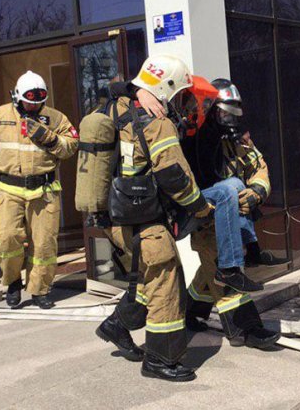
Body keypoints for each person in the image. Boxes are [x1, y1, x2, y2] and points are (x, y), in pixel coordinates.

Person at [93, 55, 213, 382]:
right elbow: (176, 178)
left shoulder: (114, 108)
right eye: (179, 95)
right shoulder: (157, 121)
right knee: (166, 279)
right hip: (143, 221)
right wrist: (202, 209)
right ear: (165, 89)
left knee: (146, 276)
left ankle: (117, 325)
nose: (181, 102)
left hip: (115, 218)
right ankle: (160, 359)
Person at [181, 78, 284, 349]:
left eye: (234, 113)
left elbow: (258, 167)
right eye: (225, 113)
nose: (230, 119)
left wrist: (257, 193)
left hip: (234, 223)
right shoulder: (194, 140)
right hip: (207, 222)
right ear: (213, 109)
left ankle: (190, 311)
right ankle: (247, 330)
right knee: (224, 277)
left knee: (208, 272)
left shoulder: (237, 138)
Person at [0, 71, 79, 310]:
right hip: (9, 189)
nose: (34, 105)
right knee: (5, 237)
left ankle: (40, 290)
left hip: (45, 190)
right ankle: (12, 282)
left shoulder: (55, 118)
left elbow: (71, 145)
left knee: (43, 245)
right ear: (17, 97)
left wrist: (51, 139)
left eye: (39, 100)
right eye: (30, 100)